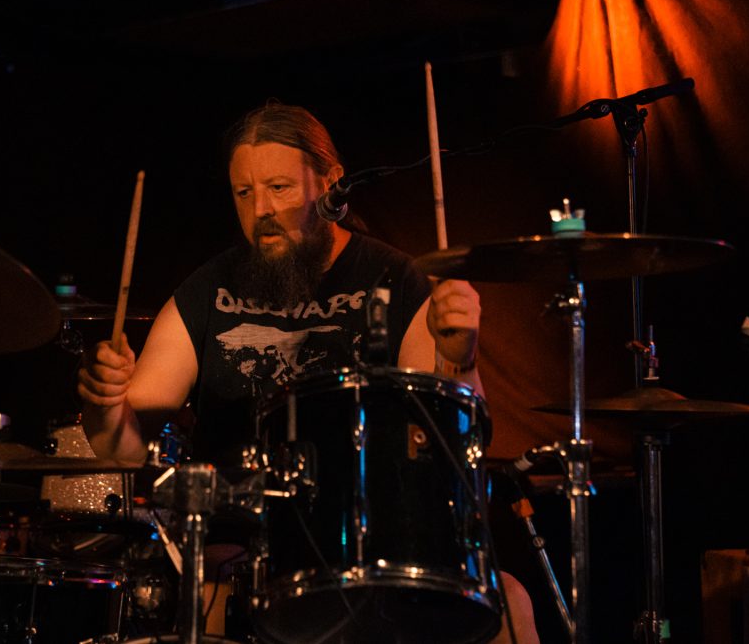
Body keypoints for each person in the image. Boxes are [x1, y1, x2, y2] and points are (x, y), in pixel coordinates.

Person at [78, 102, 538, 643]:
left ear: (330, 183)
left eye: (279, 188)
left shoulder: (397, 279)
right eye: (244, 194)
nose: (262, 211)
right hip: (242, 557)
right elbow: (123, 449)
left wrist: (460, 356)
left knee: (508, 604)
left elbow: (447, 442)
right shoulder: (207, 293)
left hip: (366, 545)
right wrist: (104, 402)